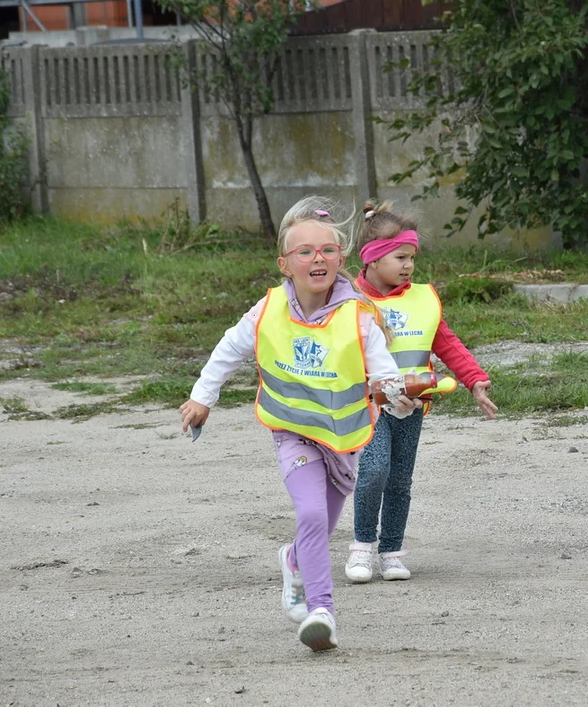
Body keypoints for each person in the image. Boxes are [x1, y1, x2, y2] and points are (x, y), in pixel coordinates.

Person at [178, 196, 419, 651]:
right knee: (309, 513)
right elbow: (228, 350)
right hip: (292, 432)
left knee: (318, 527)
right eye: (304, 251)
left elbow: (383, 373)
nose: (317, 258)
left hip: (345, 440)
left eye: (327, 250)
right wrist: (201, 399)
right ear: (285, 264)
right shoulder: (267, 310)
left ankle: (293, 561)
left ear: (341, 259)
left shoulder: (358, 316)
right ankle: (321, 611)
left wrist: (395, 394)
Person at [345, 201, 499, 583]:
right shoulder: (348, 301)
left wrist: (474, 379)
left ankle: (392, 552)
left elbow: (446, 343)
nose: (408, 266)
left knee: (400, 480)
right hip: (369, 405)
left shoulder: (422, 298)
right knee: (374, 470)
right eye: (400, 257)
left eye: (412, 257)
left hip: (413, 406)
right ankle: (362, 548)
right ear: (372, 258)